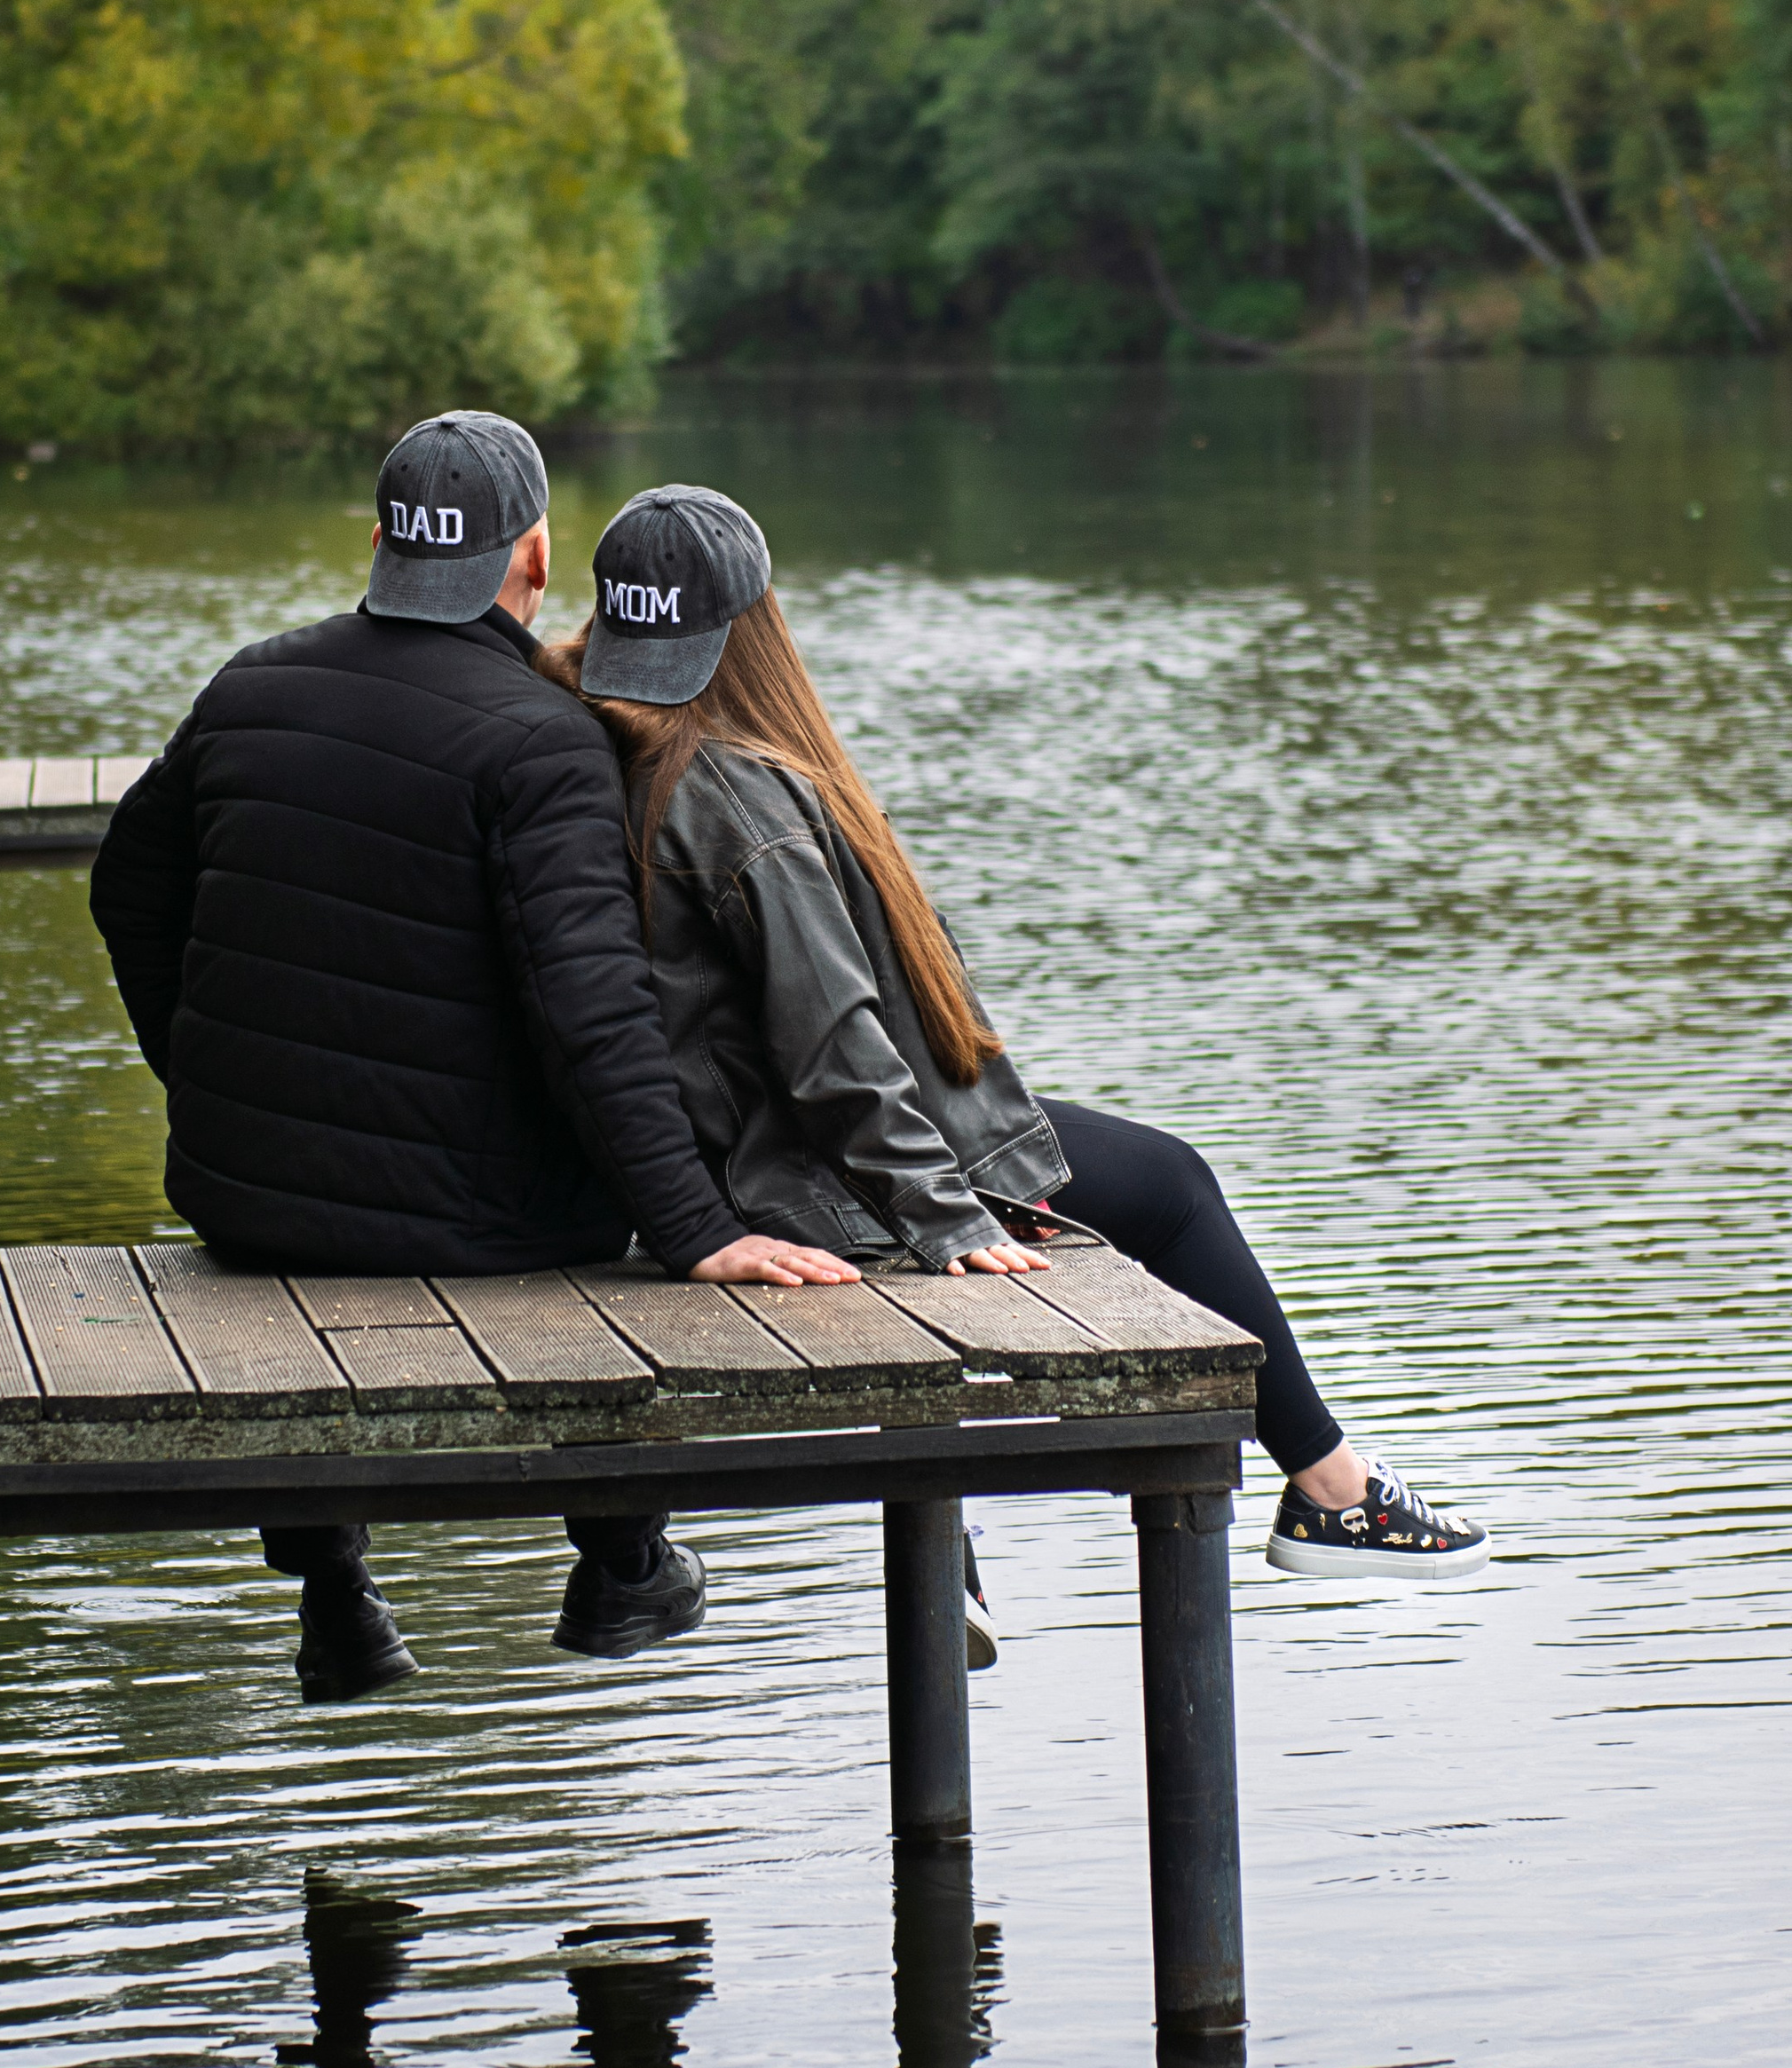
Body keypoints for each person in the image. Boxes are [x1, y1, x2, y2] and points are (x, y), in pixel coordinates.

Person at [541, 483, 1490, 1582]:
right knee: (1172, 1186)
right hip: (795, 1171)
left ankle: (959, 1555)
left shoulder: (580, 737)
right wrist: (942, 1211)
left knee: (1118, 1176)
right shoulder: (739, 794)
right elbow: (831, 1045)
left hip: (713, 1157)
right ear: (756, 630)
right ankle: (1330, 1488)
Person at [90, 415, 860, 1705]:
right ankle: (622, 1555)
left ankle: (337, 1587)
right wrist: (691, 1228)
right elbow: (592, 1009)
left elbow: (126, 892)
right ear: (538, 559)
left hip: (243, 1198)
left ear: (383, 544)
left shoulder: (249, 685)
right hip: (470, 1226)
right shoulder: (540, 738)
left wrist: (207, 1078)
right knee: (606, 1167)